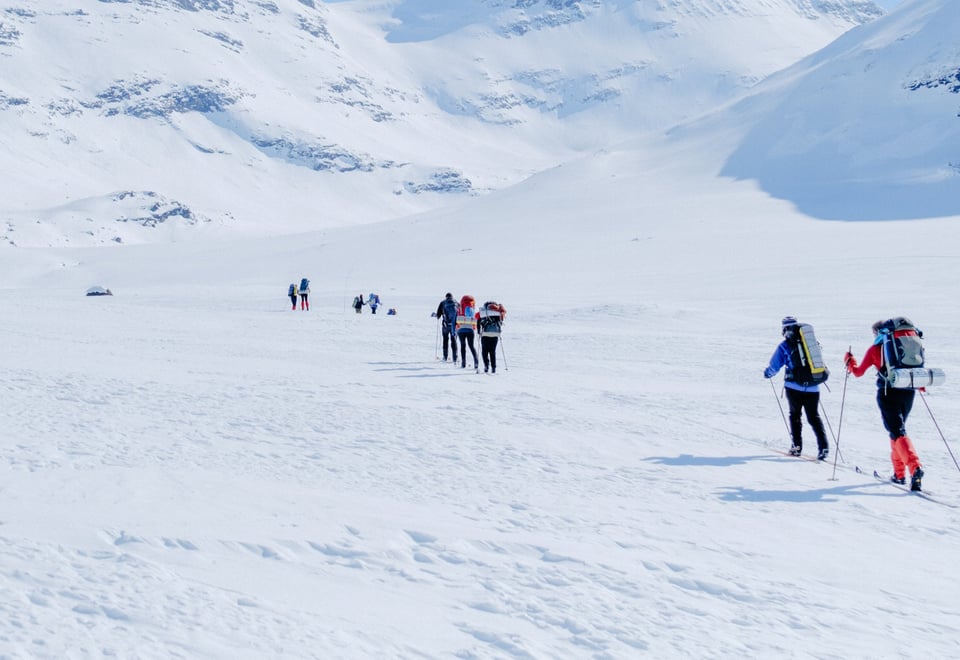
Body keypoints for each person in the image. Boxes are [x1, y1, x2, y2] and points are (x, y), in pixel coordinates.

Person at [845, 320, 924, 491]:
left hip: (888, 393)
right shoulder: (903, 346)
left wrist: (850, 362)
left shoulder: (875, 349)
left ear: (877, 333)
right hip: (908, 392)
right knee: (896, 432)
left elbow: (858, 372)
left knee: (897, 432)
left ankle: (915, 468)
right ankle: (899, 474)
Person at [763, 316, 830, 460]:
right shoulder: (810, 343)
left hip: (793, 387)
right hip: (813, 387)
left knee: (795, 416)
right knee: (814, 417)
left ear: (784, 329)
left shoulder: (785, 345)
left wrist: (768, 373)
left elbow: (775, 366)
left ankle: (796, 447)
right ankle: (824, 447)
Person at [478, 301, 506, 374]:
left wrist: (479, 332)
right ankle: (493, 367)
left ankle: (486, 366)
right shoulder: (498, 312)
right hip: (495, 334)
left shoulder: (484, 312)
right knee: (492, 351)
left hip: (485, 334)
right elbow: (500, 322)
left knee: (484, 351)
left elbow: (478, 321)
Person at [456, 294, 479, 370]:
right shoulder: (473, 308)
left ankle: (463, 363)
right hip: (470, 330)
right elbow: (475, 318)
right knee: (471, 346)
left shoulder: (460, 308)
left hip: (461, 330)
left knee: (463, 346)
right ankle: (476, 362)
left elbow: (457, 317)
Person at [434, 293, 459, 362]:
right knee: (454, 340)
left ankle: (445, 357)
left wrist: (437, 316)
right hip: (454, 325)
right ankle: (455, 358)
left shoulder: (443, 303)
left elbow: (438, 315)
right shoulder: (457, 303)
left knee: (445, 340)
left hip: (445, 325)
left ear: (446, 297)